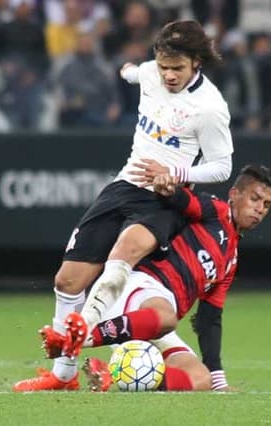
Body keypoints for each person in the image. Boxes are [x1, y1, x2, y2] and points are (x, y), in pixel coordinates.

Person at [13, 19, 234, 391]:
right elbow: (136, 73)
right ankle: (64, 377)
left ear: (196, 62)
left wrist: (175, 172)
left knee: (125, 251)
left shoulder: (210, 107)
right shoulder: (150, 73)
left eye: (177, 68)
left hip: (163, 197)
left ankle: (84, 331)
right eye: (163, 66)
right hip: (123, 187)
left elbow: (223, 167)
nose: (168, 75)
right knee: (67, 281)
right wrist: (129, 71)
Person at [13, 164, 271, 392]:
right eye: (255, 199)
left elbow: (209, 320)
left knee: (199, 379)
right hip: (135, 290)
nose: (260, 209)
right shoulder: (215, 210)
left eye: (266, 205)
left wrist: (219, 382)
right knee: (166, 316)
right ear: (235, 194)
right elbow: (184, 202)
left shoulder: (230, 260)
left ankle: (112, 372)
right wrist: (169, 186)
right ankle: (81, 338)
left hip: (153, 321)